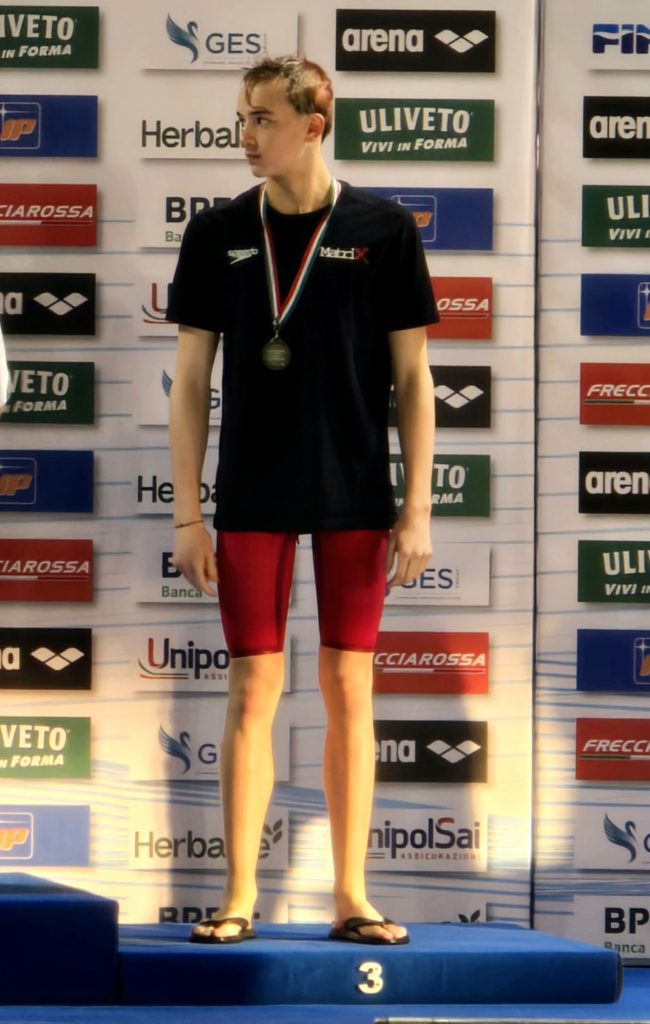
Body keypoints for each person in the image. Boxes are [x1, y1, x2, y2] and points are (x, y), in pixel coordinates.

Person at [167, 56, 437, 946]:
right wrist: (186, 514)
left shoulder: (383, 229)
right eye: (241, 118)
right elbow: (190, 382)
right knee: (253, 685)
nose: (245, 135)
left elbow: (414, 379)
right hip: (251, 493)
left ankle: (351, 895)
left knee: (349, 685)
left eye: (263, 119)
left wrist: (418, 506)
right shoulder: (216, 232)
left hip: (354, 491)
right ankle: (238, 895)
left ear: (314, 125)